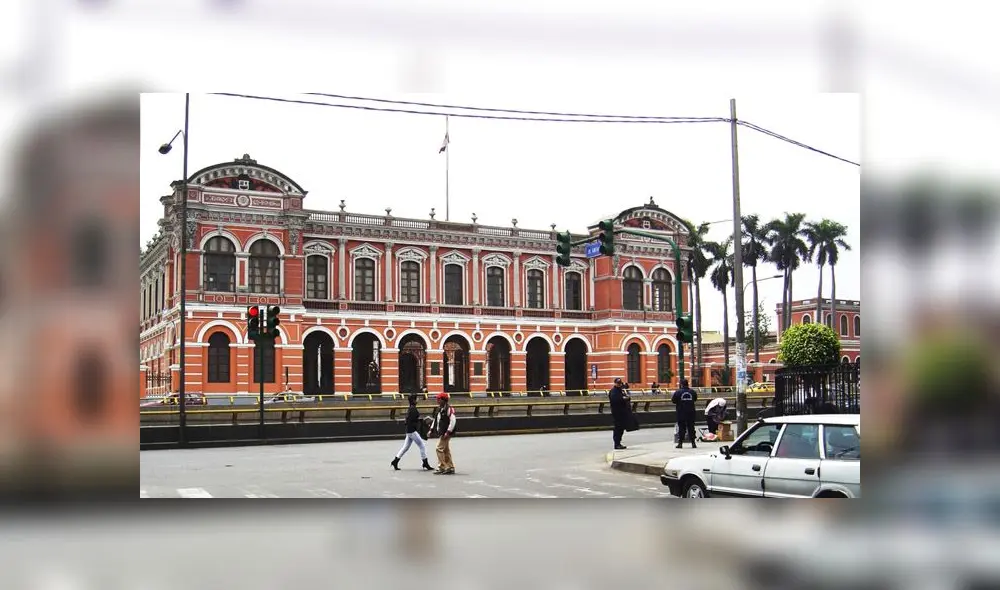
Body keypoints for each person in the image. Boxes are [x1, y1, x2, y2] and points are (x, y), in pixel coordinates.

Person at [391, 394, 434, 472]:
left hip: (409, 431)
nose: (418, 400)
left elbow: (409, 420)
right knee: (422, 446)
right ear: (414, 400)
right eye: (416, 399)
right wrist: (422, 421)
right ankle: (425, 463)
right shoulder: (413, 409)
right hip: (412, 431)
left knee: (405, 447)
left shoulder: (410, 408)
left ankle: (395, 461)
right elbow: (412, 421)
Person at [431, 392, 457, 474]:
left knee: (439, 448)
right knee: (445, 450)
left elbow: (453, 421)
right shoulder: (439, 409)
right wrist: (431, 429)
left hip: (446, 432)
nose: (437, 401)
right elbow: (436, 420)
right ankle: (450, 467)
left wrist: (448, 432)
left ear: (443, 400)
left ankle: (442, 466)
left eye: (439, 399)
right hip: (442, 431)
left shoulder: (449, 409)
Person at [672, 378, 698, 449]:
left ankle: (680, 443)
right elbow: (695, 399)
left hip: (681, 413)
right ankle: (693, 443)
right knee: (691, 427)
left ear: (681, 384)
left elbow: (673, 401)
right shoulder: (692, 392)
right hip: (691, 412)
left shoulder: (678, 392)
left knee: (681, 428)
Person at [609, 377, 632, 450]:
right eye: (618, 383)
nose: (619, 384)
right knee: (618, 428)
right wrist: (624, 399)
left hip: (622, 413)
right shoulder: (614, 391)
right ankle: (617, 444)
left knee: (621, 428)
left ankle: (618, 443)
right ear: (615, 383)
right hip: (617, 413)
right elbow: (615, 400)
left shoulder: (620, 390)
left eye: (620, 383)